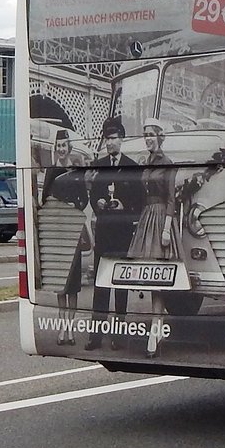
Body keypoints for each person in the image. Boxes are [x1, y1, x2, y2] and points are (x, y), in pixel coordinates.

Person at [85, 119, 144, 350]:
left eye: (114, 138)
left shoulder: (131, 167)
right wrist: (97, 201)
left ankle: (119, 335)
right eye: (107, 139)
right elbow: (93, 195)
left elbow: (139, 201)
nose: (110, 143)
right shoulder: (98, 165)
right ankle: (96, 335)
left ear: (122, 140)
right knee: (101, 285)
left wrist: (123, 206)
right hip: (104, 232)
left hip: (121, 231)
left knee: (119, 284)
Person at [128, 119, 181, 357]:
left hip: (160, 219)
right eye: (145, 134)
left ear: (160, 136)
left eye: (151, 134)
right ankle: (157, 328)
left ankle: (155, 330)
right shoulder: (146, 163)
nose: (148, 138)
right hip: (147, 217)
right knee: (150, 277)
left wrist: (167, 228)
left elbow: (171, 198)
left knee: (158, 277)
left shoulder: (167, 163)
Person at [41, 129, 88, 345]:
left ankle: (70, 330)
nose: (61, 149)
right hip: (58, 233)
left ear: (69, 147)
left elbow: (84, 199)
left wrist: (74, 207)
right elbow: (44, 200)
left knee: (73, 286)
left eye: (64, 145)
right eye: (58, 145)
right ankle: (62, 328)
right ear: (56, 148)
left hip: (73, 230)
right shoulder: (51, 172)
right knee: (61, 283)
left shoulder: (76, 171)